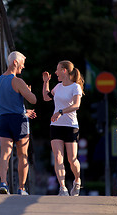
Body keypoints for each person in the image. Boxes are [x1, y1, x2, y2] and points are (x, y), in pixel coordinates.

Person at [0, 51, 37, 195]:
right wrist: (27, 91)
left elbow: (8, 104)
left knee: (5, 153)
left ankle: (3, 183)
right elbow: (33, 100)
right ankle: (21, 188)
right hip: (19, 122)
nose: (23, 67)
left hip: (4, 120)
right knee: (22, 155)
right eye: (22, 63)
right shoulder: (18, 81)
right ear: (15, 62)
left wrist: (24, 111)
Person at [42, 60, 84, 196]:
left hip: (71, 126)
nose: (55, 72)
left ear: (64, 70)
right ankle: (63, 188)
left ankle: (77, 180)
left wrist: (60, 112)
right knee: (58, 157)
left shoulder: (75, 87)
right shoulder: (58, 86)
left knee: (72, 159)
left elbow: (76, 105)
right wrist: (45, 82)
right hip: (56, 126)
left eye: (57, 69)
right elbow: (46, 97)